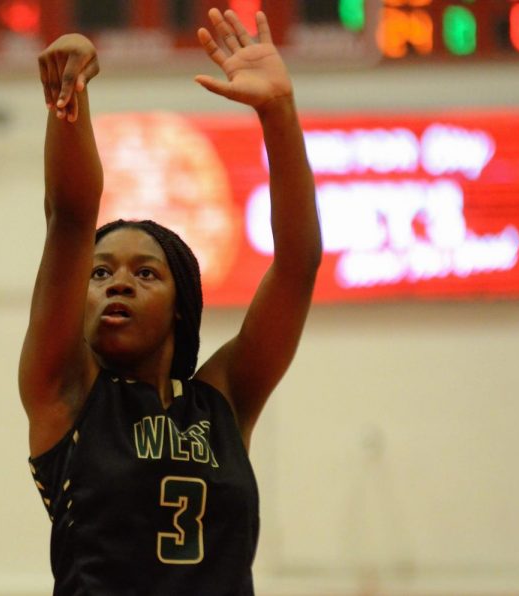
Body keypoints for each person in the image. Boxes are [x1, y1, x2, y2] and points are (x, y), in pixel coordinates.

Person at [19, 7, 321, 595]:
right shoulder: (67, 394)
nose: (117, 283)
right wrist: (72, 88)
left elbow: (297, 265)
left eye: (146, 273)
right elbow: (71, 218)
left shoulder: (223, 403)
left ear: (181, 306)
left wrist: (279, 112)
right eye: (100, 272)